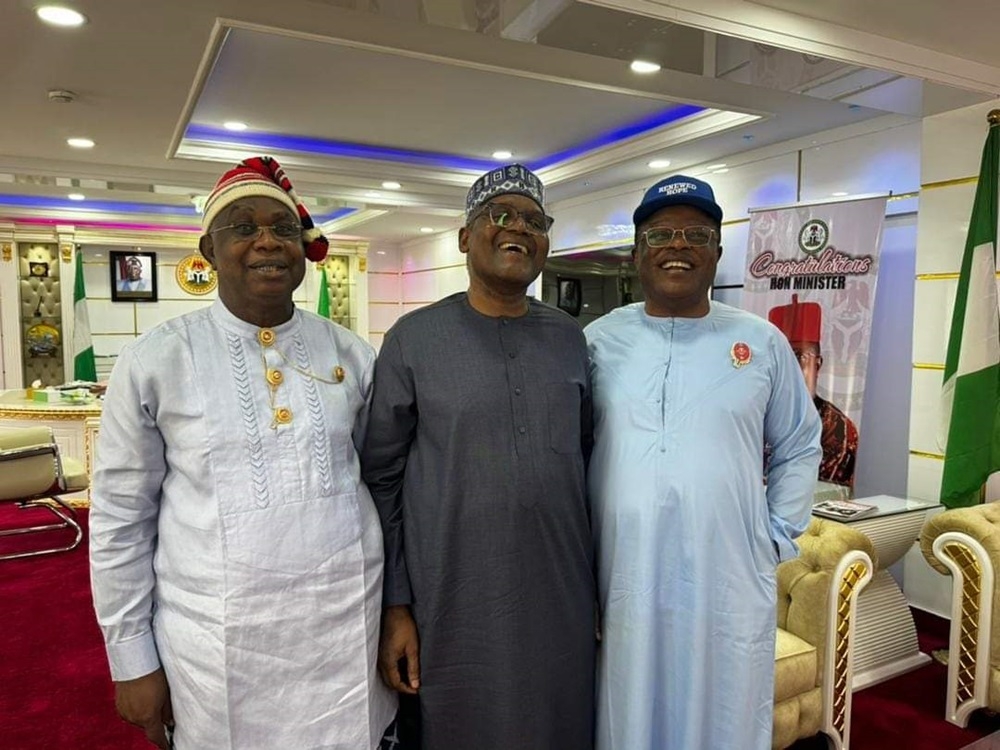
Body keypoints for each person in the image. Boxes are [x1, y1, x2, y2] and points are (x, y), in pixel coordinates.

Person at [89, 155, 397, 750]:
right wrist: (130, 658)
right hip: (217, 643)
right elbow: (121, 520)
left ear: (305, 248)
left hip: (344, 630)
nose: (267, 243)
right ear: (208, 248)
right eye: (243, 228)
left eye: (283, 229)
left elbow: (381, 484)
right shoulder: (155, 361)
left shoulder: (353, 355)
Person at [361, 163, 596, 750]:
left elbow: (587, 461)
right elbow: (379, 480)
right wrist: (396, 604)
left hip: (561, 597)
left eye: (534, 220)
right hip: (454, 596)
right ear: (465, 236)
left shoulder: (569, 338)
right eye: (500, 214)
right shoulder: (413, 339)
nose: (518, 227)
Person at [585, 174, 822, 750]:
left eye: (697, 233)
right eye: (661, 233)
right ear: (637, 251)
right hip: (622, 569)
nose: (679, 245)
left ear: (717, 250)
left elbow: (799, 442)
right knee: (628, 702)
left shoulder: (760, 342)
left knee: (725, 705)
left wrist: (773, 536)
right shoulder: (596, 340)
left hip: (727, 570)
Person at [769, 294, 859, 487]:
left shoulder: (839, 430)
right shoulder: (754, 411)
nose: (788, 366)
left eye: (799, 356)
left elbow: (817, 492)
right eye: (780, 357)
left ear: (817, 364)